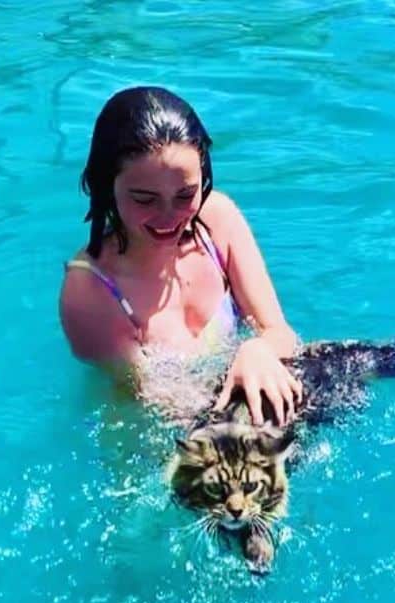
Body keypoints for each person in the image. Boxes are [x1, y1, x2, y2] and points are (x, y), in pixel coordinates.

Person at [59, 87, 302, 426]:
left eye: (185, 194)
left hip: (225, 408)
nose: (168, 217)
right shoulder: (89, 289)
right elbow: (157, 402)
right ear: (106, 186)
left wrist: (258, 350)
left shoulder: (216, 220)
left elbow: (279, 332)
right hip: (152, 434)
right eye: (145, 199)